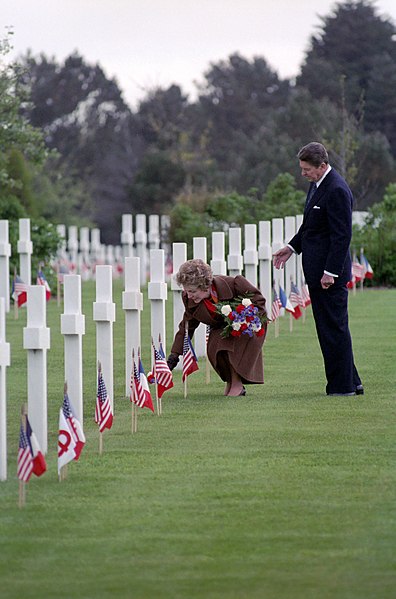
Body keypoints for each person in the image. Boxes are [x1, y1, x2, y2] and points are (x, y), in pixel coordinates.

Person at [273, 141, 364, 397]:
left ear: (322, 165)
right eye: (301, 168)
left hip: (328, 276)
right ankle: (352, 381)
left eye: (306, 169)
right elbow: (310, 226)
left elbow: (341, 235)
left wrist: (330, 272)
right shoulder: (318, 185)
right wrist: (291, 247)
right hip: (317, 271)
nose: (303, 173)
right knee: (330, 327)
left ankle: (341, 387)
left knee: (333, 328)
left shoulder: (335, 189)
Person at [167, 259, 267, 396]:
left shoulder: (235, 284)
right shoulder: (189, 299)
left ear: (205, 286)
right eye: (186, 291)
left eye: (192, 291)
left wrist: (249, 321)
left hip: (249, 325)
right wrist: (174, 356)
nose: (189, 295)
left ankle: (237, 385)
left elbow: (259, 301)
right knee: (215, 350)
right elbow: (186, 326)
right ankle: (232, 383)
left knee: (226, 346)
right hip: (221, 328)